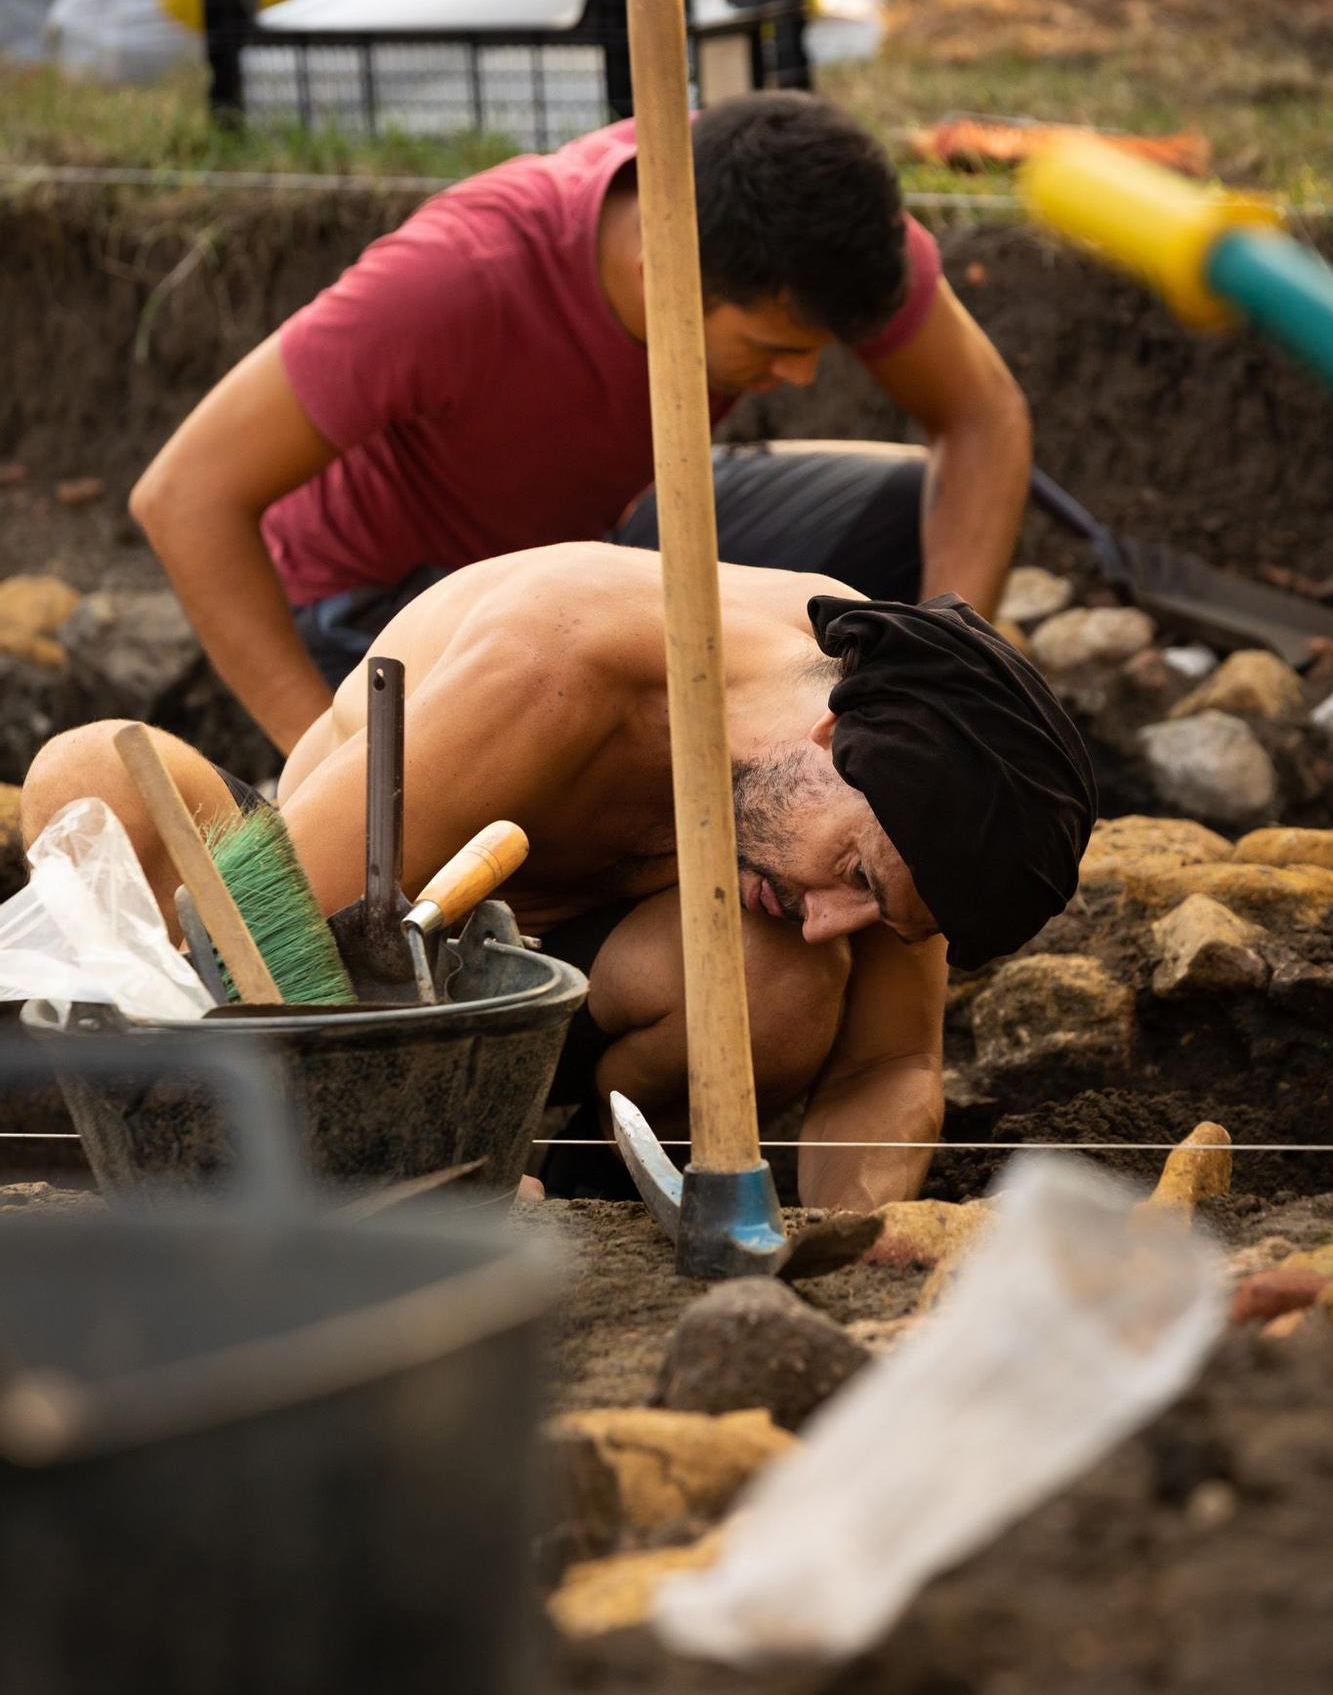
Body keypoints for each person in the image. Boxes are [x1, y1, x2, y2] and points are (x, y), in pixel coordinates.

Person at [22, 543, 1095, 1214]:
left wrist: (855, 1234)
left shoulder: (919, 731)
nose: (832, 923)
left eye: (878, 915)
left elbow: (890, 1063)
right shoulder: (560, 664)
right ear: (828, 740)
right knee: (88, 774)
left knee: (775, 984)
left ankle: (591, 1186)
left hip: (571, 994)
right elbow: (274, 956)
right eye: (853, 875)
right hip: (359, 955)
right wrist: (438, 1162)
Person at [129, 92, 1032, 758]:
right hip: (384, 604)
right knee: (592, 788)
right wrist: (324, 753)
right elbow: (183, 497)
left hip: (597, 540)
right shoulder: (457, 276)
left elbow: (982, 416)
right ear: (658, 274)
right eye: (773, 348)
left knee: (905, 526)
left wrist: (947, 672)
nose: (801, 377)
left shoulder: (819, 225)